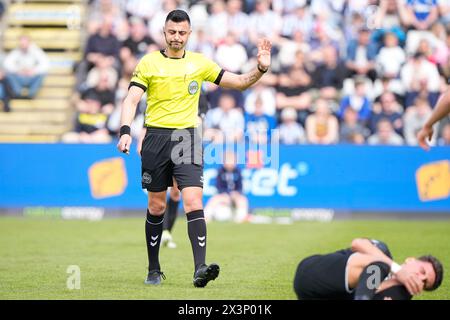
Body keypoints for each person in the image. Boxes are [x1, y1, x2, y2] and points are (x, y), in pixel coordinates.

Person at [117, 10, 271, 287]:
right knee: (156, 205)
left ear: (189, 34)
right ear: (164, 32)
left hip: (187, 139)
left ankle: (200, 268)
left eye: (182, 33)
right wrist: (126, 131)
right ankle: (154, 269)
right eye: (172, 32)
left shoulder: (199, 63)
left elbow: (238, 82)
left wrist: (259, 69)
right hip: (155, 138)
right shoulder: (149, 63)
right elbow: (130, 100)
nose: (177, 37)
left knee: (193, 201)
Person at [293, 238, 443, 300]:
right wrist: (397, 270)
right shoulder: (382, 252)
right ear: (410, 260)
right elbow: (357, 243)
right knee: (381, 263)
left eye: (424, 283)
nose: (420, 278)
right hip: (311, 271)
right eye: (422, 271)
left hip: (317, 296)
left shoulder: (397, 296)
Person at [204, 151, 249, 223]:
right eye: (228, 161)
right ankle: (206, 216)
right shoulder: (221, 171)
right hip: (223, 195)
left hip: (235, 195)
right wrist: (225, 193)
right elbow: (218, 186)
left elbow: (240, 186)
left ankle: (241, 218)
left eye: (233, 161)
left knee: (242, 200)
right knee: (214, 200)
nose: (230, 164)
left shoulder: (238, 171)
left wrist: (236, 193)